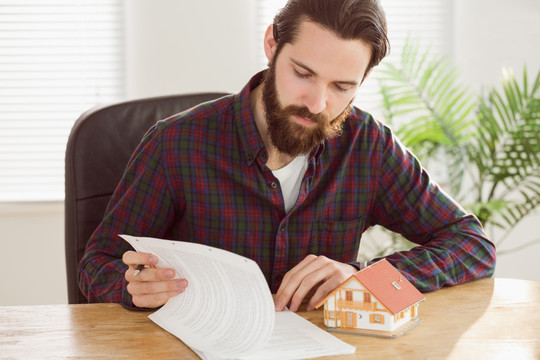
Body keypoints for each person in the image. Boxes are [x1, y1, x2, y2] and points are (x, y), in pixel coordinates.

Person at [79, 0, 496, 311]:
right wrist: (132, 285)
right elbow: (96, 265)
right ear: (271, 44)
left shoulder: (367, 146)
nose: (317, 103)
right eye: (303, 74)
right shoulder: (175, 144)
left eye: (342, 87)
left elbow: (472, 245)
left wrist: (365, 278)